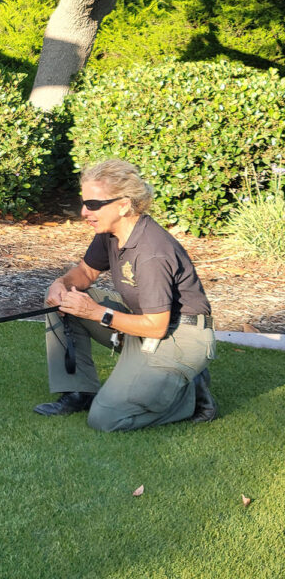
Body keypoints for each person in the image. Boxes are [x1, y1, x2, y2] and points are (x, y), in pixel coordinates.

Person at [33, 158, 218, 431]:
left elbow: (157, 327)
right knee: (65, 299)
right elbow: (84, 273)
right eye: (85, 203)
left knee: (105, 419)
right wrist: (61, 284)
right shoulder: (111, 233)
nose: (84, 211)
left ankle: (189, 395)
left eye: (94, 205)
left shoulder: (152, 252)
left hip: (178, 336)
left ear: (123, 205)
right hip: (140, 323)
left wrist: (95, 312)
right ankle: (79, 392)